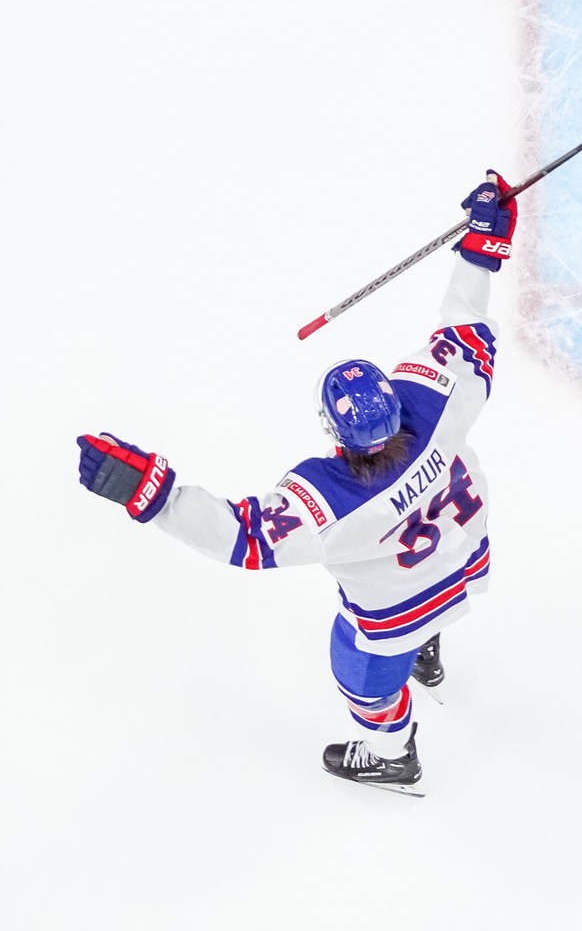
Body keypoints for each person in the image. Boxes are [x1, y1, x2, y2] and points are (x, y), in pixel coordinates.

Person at [74, 172, 517, 794]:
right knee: (423, 586)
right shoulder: (439, 403)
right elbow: (465, 324)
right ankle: (428, 650)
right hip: (466, 562)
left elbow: (242, 538)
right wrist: (482, 248)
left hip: (395, 611)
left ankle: (391, 754)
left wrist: (152, 492)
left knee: (362, 683)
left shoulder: (331, 503)